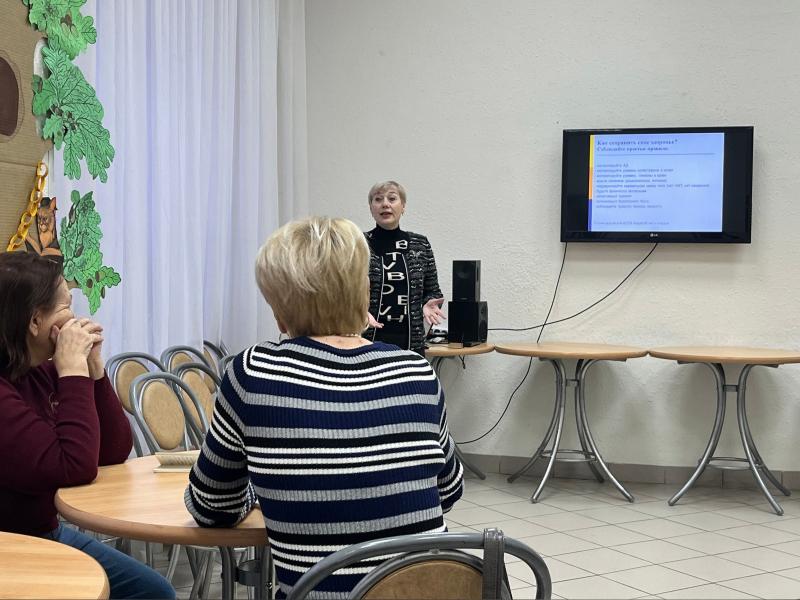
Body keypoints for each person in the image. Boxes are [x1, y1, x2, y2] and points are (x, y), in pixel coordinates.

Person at [185, 216, 463, 599]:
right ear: (364, 296)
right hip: (429, 590)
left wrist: (265, 487)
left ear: (279, 313)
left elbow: (211, 506)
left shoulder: (252, 372)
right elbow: (448, 491)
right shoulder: (416, 369)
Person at [0, 252, 175, 600]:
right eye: (65, 306)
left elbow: (111, 450)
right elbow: (74, 466)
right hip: (12, 547)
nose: (76, 318)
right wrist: (72, 373)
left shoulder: (40, 371)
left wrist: (93, 371)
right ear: (35, 321)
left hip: (46, 533)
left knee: (154, 592)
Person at [364, 181, 445, 354]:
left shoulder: (420, 244)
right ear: (371, 208)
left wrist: (426, 304)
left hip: (411, 342)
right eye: (378, 199)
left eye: (392, 198)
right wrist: (356, 312)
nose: (385, 204)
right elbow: (344, 290)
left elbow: (432, 291)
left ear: (403, 207)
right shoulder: (358, 243)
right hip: (366, 341)